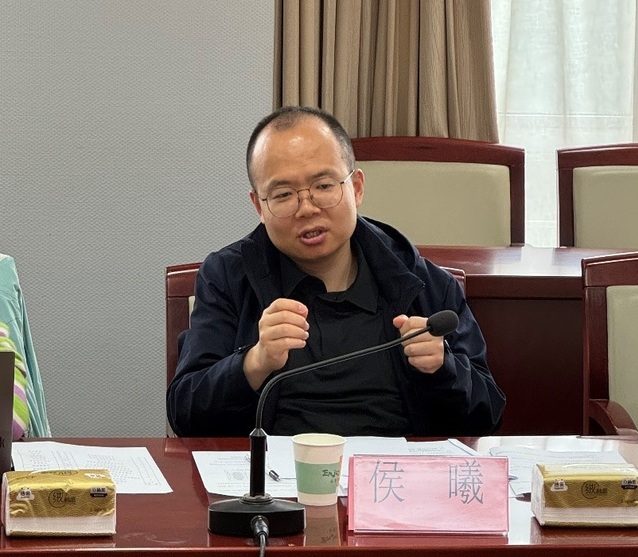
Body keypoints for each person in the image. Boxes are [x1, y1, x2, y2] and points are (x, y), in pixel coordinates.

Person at [167, 106, 505, 438]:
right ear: (259, 206)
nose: (307, 208)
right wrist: (254, 362)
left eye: (324, 186)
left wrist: (444, 367)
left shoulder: (421, 281)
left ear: (356, 188)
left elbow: (488, 414)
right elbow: (186, 414)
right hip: (276, 471)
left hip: (390, 470)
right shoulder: (228, 276)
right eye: (283, 194)